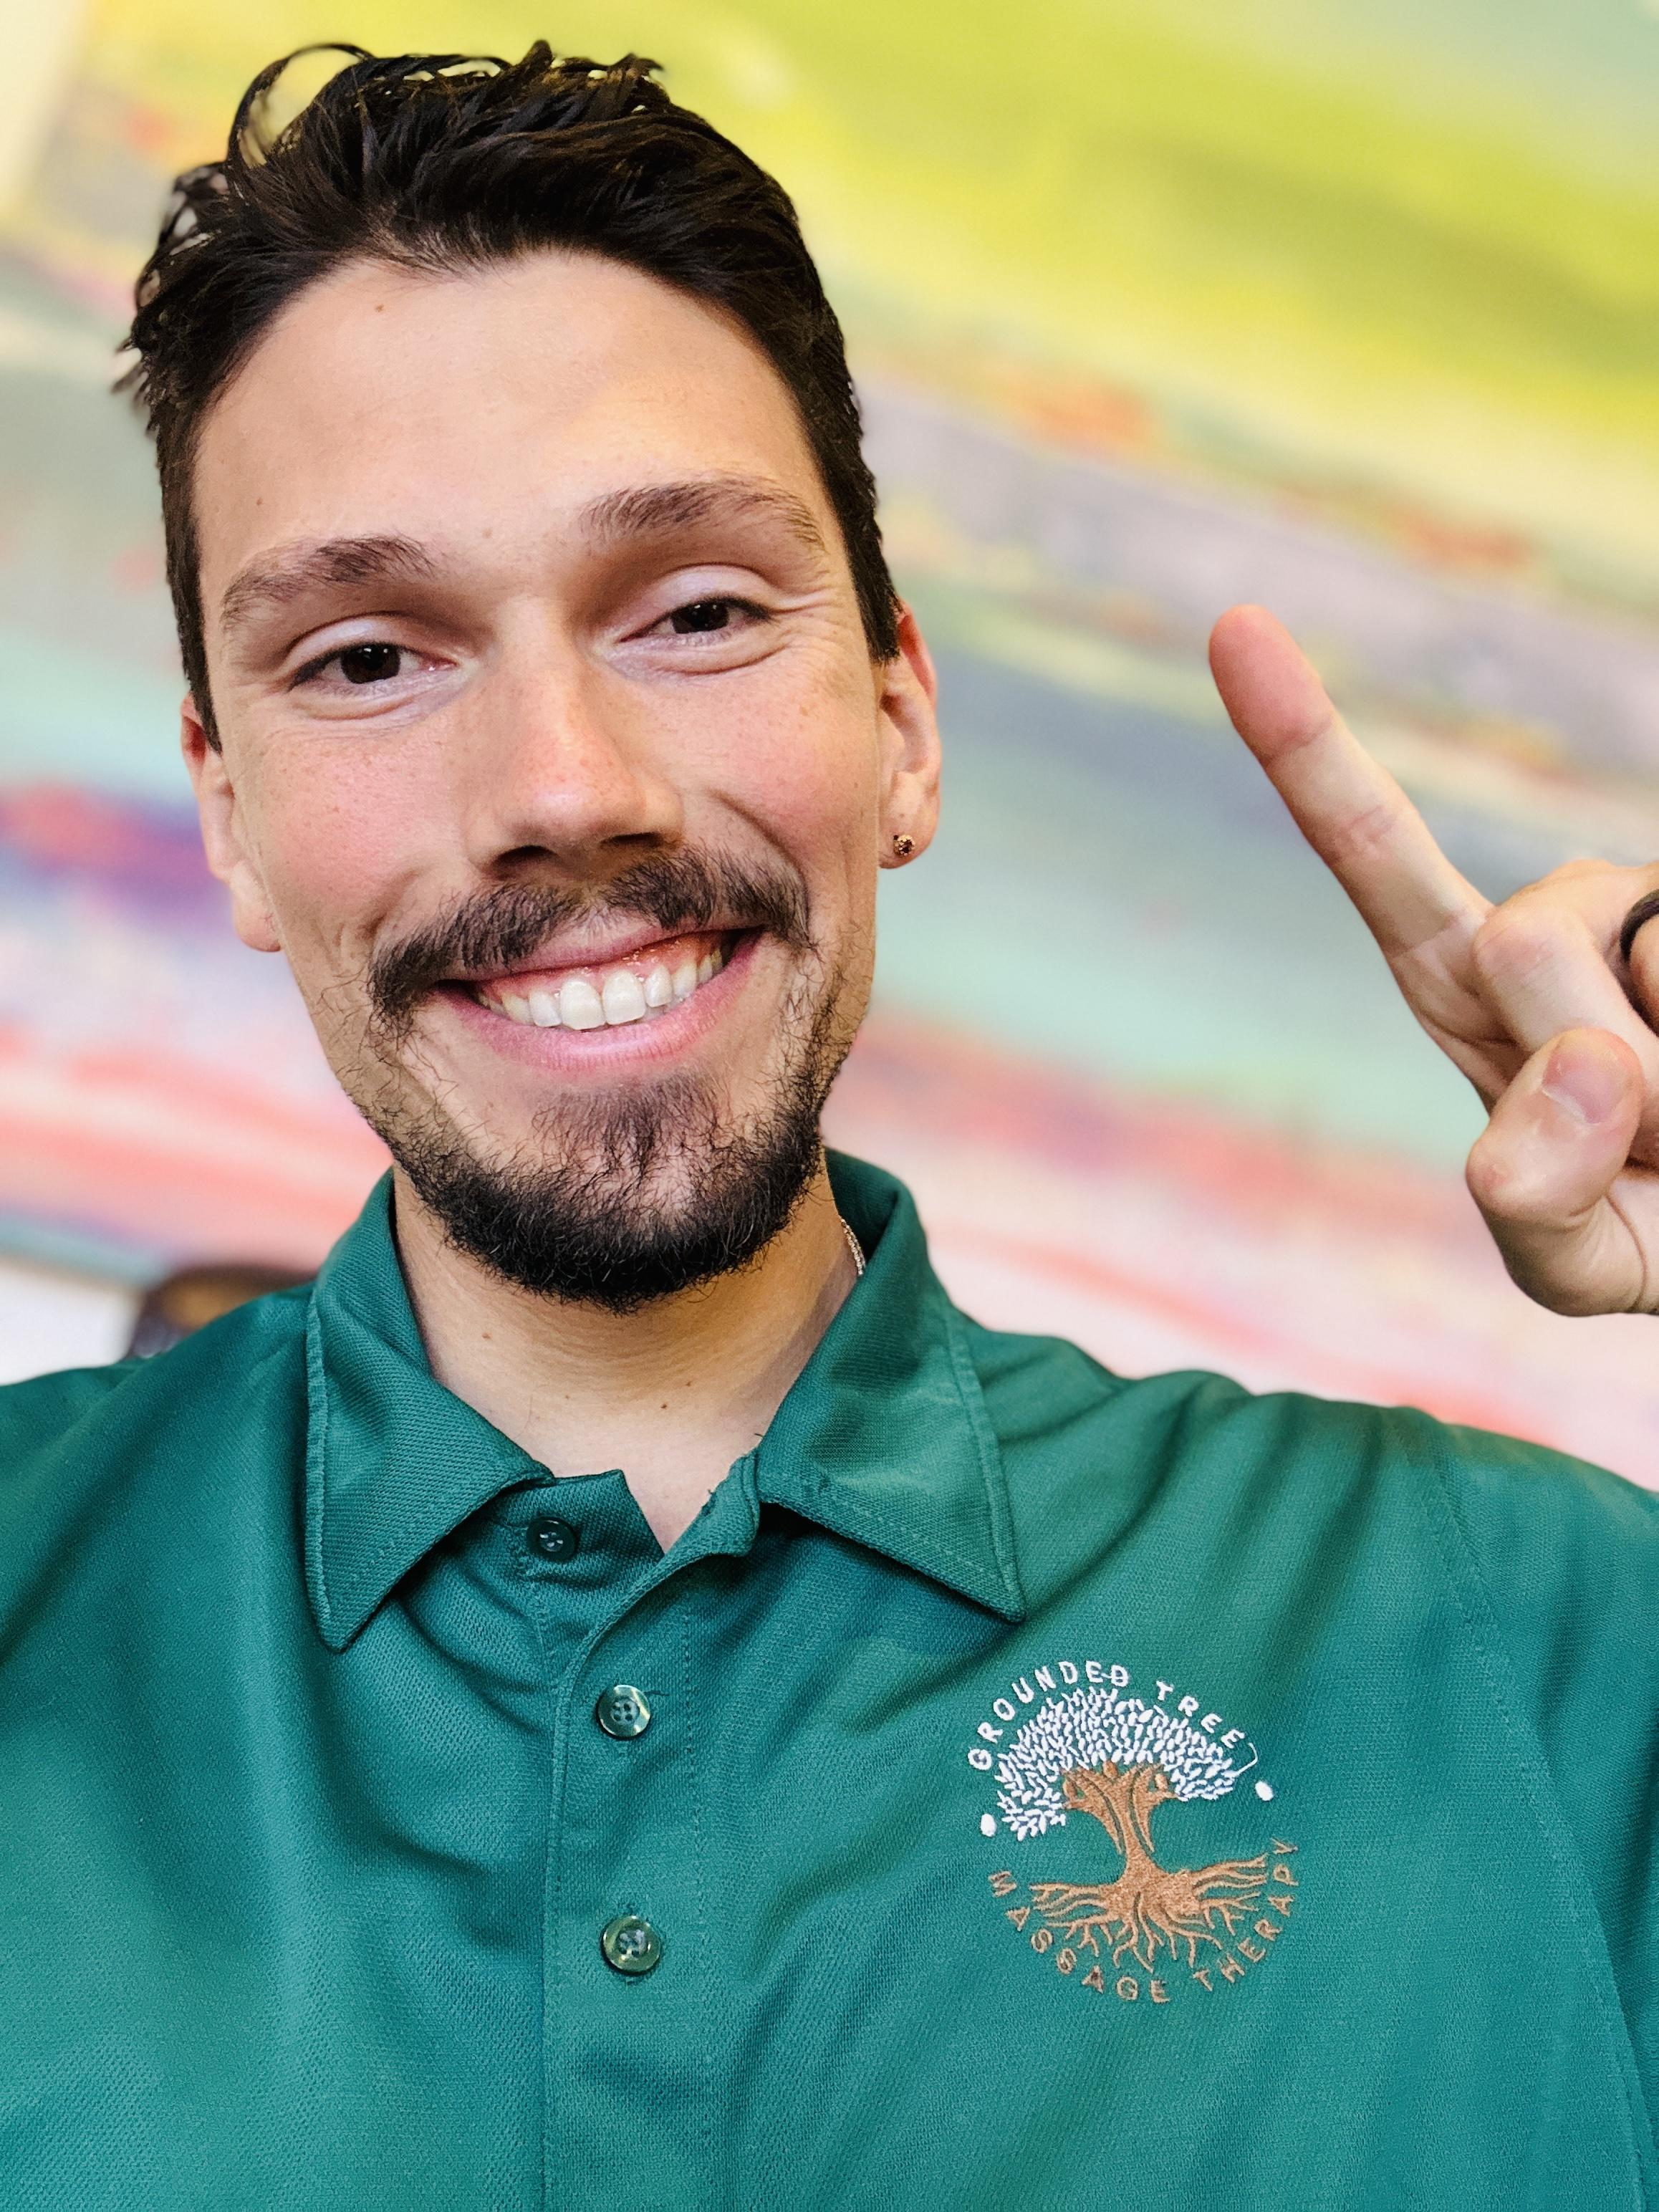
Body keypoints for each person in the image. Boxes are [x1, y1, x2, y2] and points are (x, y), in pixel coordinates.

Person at [4, 42, 1658, 2211]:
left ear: (898, 720)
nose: (565, 786)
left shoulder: (1532, 1637)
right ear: (229, 815)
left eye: (695, 613)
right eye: (369, 659)